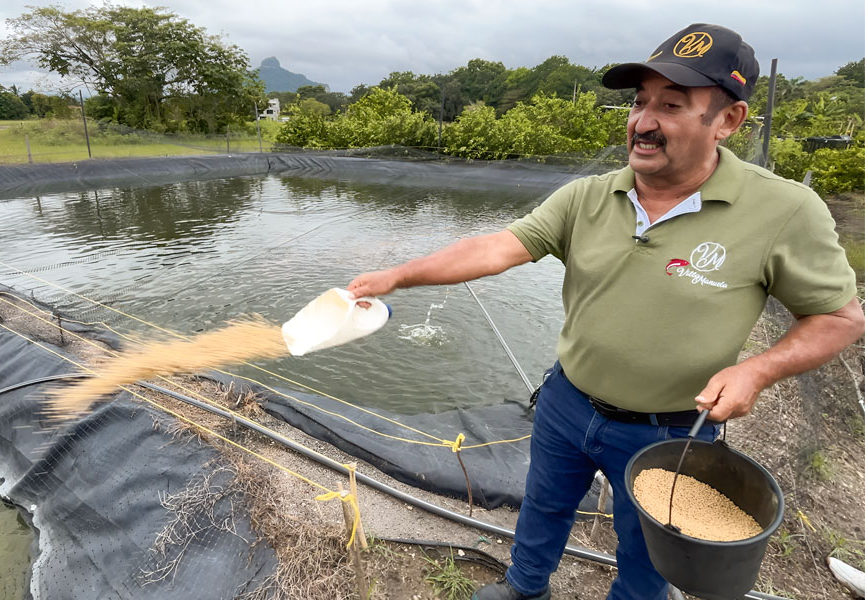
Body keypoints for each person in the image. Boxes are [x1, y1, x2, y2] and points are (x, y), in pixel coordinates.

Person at [347, 23, 865, 600]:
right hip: (567, 401)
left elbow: (839, 318)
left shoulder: (784, 211)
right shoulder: (588, 196)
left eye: (671, 105)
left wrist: (757, 371)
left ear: (728, 120)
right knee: (543, 503)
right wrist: (397, 276)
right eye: (640, 102)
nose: (643, 121)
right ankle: (525, 587)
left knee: (645, 552)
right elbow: (496, 248)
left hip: (670, 430)